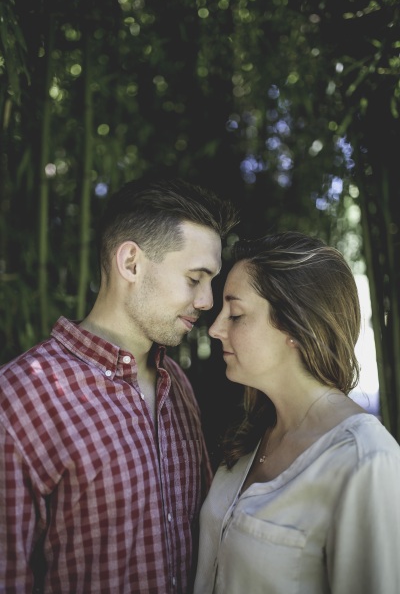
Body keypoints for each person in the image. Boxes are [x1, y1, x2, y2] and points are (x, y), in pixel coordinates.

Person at [0, 177, 239, 594]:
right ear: (131, 263)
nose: (207, 301)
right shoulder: (21, 399)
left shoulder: (176, 385)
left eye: (211, 282)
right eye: (195, 277)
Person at [194, 231, 400, 594]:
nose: (215, 328)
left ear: (294, 326)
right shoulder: (251, 437)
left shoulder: (365, 459)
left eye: (236, 314)